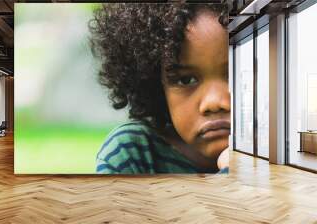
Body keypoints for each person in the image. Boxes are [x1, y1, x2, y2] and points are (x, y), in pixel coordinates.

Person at [89, 2, 230, 174]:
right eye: (186, 80)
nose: (214, 102)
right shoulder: (133, 152)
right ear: (156, 85)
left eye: (236, 73)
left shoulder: (271, 150)